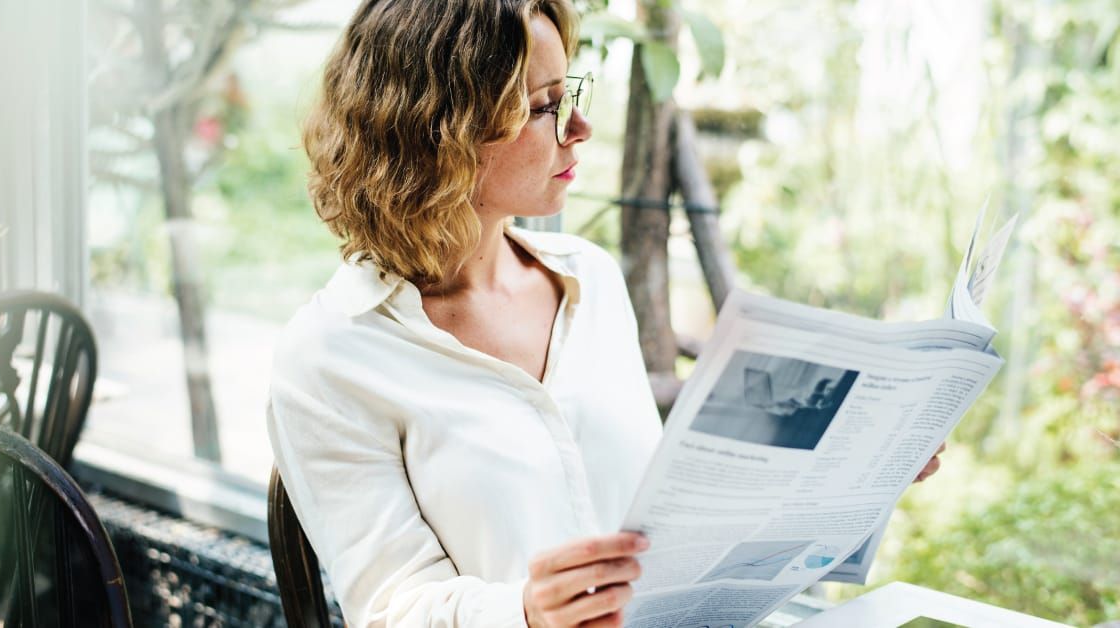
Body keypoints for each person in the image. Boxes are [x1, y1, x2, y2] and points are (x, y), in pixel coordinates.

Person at [267, 1, 943, 626]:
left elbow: (661, 525)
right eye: (544, 106)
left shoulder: (589, 280)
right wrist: (528, 613)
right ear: (439, 129)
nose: (580, 129)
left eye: (571, 95)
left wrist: (853, 467)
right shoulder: (330, 356)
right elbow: (392, 608)